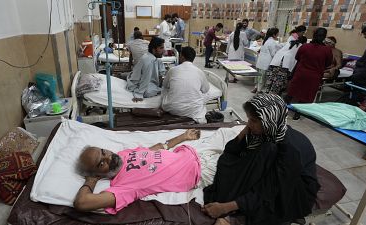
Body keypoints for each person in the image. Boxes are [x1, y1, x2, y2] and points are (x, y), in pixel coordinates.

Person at [203, 93, 320, 225]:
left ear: (269, 120)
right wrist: (247, 128)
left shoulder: (288, 150)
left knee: (263, 205)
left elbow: (269, 190)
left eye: (253, 120)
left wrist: (225, 207)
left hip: (293, 190)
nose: (249, 124)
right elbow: (231, 150)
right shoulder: (267, 132)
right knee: (228, 161)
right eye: (249, 119)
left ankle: (232, 216)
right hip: (275, 177)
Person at [73, 129, 202, 213]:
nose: (108, 157)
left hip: (192, 151)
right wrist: (91, 180)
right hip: (200, 172)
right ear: (97, 174)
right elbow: (82, 203)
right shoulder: (122, 187)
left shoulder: (122, 154)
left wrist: (183, 136)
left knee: (223, 132)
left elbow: (152, 150)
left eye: (103, 152)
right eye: (101, 163)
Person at [286, 28, 332, 119]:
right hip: (314, 76)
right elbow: (328, 64)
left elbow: (297, 58)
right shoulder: (327, 50)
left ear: (314, 35)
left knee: (292, 92)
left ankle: (282, 108)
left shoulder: (305, 46)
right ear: (324, 37)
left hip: (301, 73)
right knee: (306, 95)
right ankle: (297, 114)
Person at [161, 47, 210, 123]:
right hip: (193, 110)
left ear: (182, 57)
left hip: (172, 109)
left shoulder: (172, 70)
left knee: (165, 90)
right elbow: (206, 90)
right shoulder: (199, 72)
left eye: (180, 56)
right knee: (204, 95)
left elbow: (165, 85)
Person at [126, 37, 166, 102]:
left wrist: (163, 80)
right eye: (161, 48)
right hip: (138, 83)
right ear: (154, 50)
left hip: (148, 81)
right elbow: (145, 79)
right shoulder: (149, 60)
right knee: (148, 92)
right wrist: (139, 95)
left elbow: (162, 73)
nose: (163, 51)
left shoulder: (155, 58)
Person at [253, 28, 282, 92]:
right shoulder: (272, 42)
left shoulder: (266, 40)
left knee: (259, 77)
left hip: (260, 62)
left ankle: (256, 88)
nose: (278, 34)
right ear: (274, 35)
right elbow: (273, 53)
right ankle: (259, 91)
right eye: (277, 33)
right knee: (263, 79)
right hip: (265, 64)